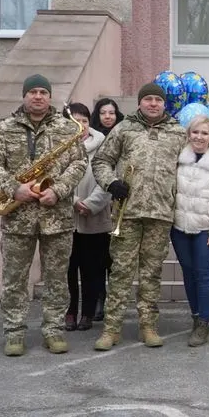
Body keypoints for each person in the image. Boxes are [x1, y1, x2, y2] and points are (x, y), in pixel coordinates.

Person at [0, 74, 87, 357]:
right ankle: (14, 333)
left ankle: (53, 331)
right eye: (33, 92)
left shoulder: (67, 128)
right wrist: (14, 188)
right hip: (18, 219)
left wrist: (61, 190)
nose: (38, 96)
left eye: (43, 92)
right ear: (24, 96)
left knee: (57, 279)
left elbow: (79, 162)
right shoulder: (5, 128)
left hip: (57, 217)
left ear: (50, 97)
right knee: (14, 279)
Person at [91, 82, 186, 350]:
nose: (153, 103)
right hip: (127, 213)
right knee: (121, 272)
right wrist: (111, 183)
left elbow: (189, 169)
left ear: (164, 103)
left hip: (160, 213)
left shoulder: (177, 132)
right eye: (148, 99)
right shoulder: (124, 128)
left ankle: (148, 325)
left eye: (158, 99)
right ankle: (111, 329)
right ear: (140, 103)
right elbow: (101, 161)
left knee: (152, 273)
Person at [171, 115, 209, 347]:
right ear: (189, 134)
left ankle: (204, 323)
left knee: (203, 274)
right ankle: (196, 315)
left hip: (205, 229)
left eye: (204, 133)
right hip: (179, 227)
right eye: (195, 132)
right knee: (188, 272)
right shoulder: (179, 160)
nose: (199, 137)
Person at [65, 103, 112, 332]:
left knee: (92, 269)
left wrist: (91, 204)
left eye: (84, 120)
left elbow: (109, 178)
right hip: (66, 219)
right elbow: (54, 178)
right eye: (75, 120)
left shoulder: (104, 144)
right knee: (68, 269)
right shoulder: (60, 146)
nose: (80, 125)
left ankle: (88, 312)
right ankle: (71, 310)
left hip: (95, 219)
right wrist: (74, 202)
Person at [89, 97, 124, 321]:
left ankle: (113, 300)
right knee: (98, 258)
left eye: (112, 112)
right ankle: (98, 298)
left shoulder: (123, 135)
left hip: (119, 202)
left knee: (115, 259)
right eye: (103, 113)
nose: (108, 116)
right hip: (97, 202)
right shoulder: (93, 140)